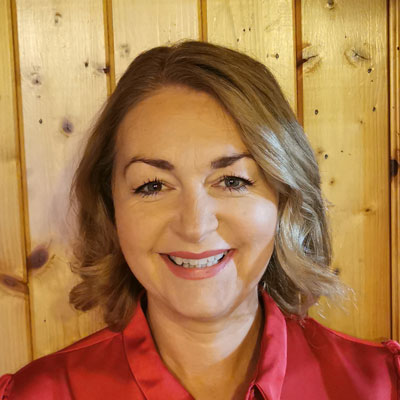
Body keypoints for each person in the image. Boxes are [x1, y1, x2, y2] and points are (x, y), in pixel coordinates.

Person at [0, 39, 398, 400]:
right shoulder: (36, 395)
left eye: (232, 180)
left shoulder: (384, 384)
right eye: (153, 185)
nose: (194, 226)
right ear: (111, 207)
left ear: (285, 197)